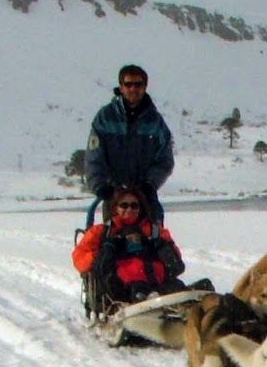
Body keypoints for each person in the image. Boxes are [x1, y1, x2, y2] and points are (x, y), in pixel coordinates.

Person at [86, 64, 175, 224]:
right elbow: (94, 157)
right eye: (128, 84)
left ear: (145, 87)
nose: (133, 89)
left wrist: (150, 184)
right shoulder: (105, 118)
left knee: (152, 242)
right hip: (114, 197)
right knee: (110, 242)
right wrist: (100, 186)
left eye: (138, 84)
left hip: (144, 197)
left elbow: (164, 160)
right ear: (120, 87)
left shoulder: (155, 122)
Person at [72, 187, 186, 304]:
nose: (129, 209)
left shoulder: (154, 231)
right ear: (115, 208)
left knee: (180, 289)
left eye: (134, 206)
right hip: (120, 288)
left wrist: (165, 248)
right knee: (138, 291)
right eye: (124, 205)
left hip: (157, 283)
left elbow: (177, 263)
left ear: (140, 208)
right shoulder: (102, 232)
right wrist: (102, 253)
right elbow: (79, 258)